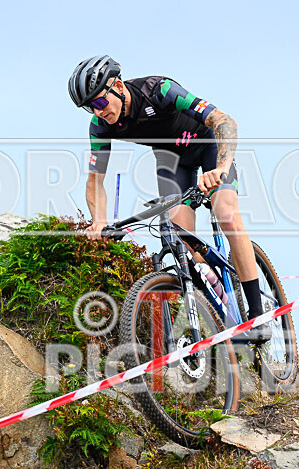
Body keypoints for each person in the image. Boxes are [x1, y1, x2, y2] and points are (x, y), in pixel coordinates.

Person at [68, 55, 270, 342]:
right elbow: (95, 180)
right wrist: (99, 221)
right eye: (90, 107)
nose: (98, 111)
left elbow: (226, 122)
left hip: (208, 146)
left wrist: (221, 169)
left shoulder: (158, 90)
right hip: (172, 162)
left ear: (118, 86)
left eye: (100, 101)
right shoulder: (100, 126)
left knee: (226, 214)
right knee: (183, 241)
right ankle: (222, 304)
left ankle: (259, 315)